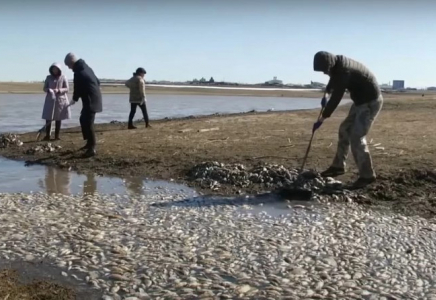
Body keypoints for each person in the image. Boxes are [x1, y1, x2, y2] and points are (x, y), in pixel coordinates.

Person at [312, 51, 383, 188]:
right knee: (344, 129)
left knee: (357, 137)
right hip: (359, 103)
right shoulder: (337, 65)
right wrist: (326, 94)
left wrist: (322, 118)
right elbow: (332, 83)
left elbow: (337, 96)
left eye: (325, 70)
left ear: (330, 65)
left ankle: (367, 176)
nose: (325, 73)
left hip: (370, 103)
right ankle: (338, 166)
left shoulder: (344, 71)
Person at [64, 53, 102, 157]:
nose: (69, 67)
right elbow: (98, 82)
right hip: (93, 97)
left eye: (68, 65)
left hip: (91, 99)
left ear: (71, 62)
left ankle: (92, 148)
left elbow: (78, 88)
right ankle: (89, 143)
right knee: (83, 119)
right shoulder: (86, 68)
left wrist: (74, 100)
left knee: (88, 122)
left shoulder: (79, 72)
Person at [41, 63, 71, 141]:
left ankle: (56, 136)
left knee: (58, 118)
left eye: (56, 69)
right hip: (50, 100)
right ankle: (47, 135)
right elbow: (44, 88)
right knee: (48, 118)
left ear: (59, 70)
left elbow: (67, 89)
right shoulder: (48, 78)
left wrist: (59, 90)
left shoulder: (63, 77)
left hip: (60, 100)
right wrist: (49, 90)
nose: (55, 71)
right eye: (53, 69)